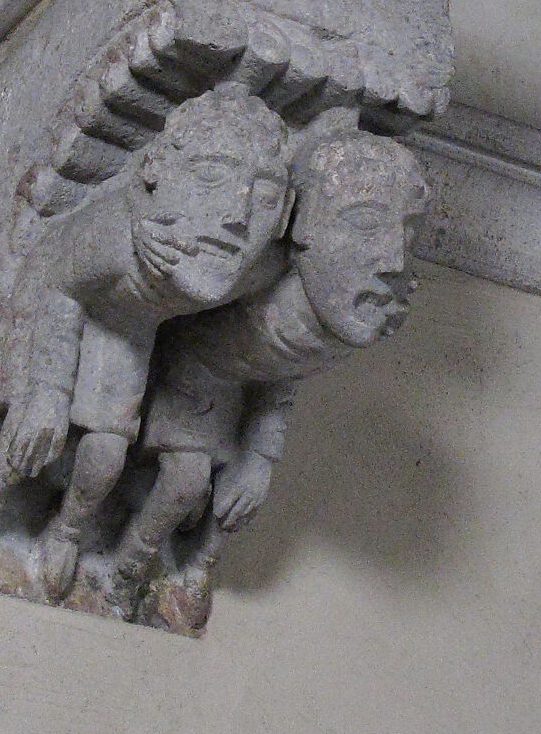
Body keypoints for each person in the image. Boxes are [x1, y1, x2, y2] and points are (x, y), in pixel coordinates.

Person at [0, 84, 294, 592]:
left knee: (106, 455)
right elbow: (61, 286)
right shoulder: (117, 238)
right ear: (157, 170)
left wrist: (260, 451)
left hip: (130, 332)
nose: (237, 217)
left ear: (284, 214)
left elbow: (286, 351)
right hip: (57, 308)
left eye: (263, 198)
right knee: (39, 429)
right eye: (211, 178)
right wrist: (50, 391)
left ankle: (66, 533)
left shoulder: (255, 271)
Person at [112, 120, 430, 618]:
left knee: (235, 500)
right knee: (185, 481)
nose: (393, 258)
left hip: (236, 395)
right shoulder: (256, 276)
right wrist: (140, 229)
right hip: (180, 372)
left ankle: (193, 568)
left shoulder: (345, 325)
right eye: (365, 223)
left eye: (408, 234)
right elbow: (158, 287)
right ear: (299, 227)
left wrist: (259, 460)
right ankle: (126, 564)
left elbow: (285, 382)